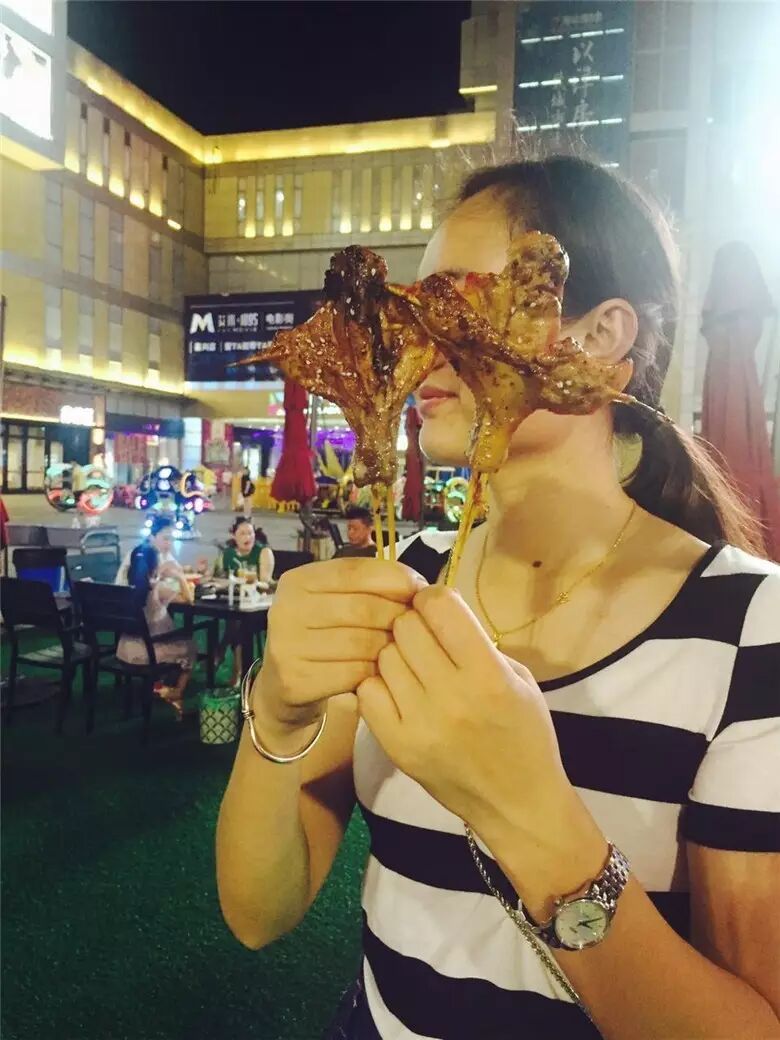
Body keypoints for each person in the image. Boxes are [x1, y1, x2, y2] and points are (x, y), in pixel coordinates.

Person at [216, 156, 780, 1039]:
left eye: (456, 303)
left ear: (601, 336)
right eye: (411, 313)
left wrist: (527, 814)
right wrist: (279, 717)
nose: (415, 347)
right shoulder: (407, 576)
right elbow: (258, 913)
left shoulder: (751, 628)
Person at [117, 515, 197, 719]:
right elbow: (188, 600)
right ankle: (176, 691)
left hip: (124, 649)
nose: (169, 543)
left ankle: (160, 685)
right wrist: (179, 577)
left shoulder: (131, 582)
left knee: (169, 637)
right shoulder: (157, 588)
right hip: (148, 651)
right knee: (190, 646)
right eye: (165, 538)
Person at [214, 517, 275, 684]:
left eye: (250, 533)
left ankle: (229, 663)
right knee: (232, 621)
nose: (247, 537)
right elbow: (219, 578)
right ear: (234, 536)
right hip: (235, 602)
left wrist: (252, 583)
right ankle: (237, 670)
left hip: (259, 607)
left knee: (236, 624)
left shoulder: (263, 552)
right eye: (242, 533)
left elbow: (266, 582)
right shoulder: (228, 554)